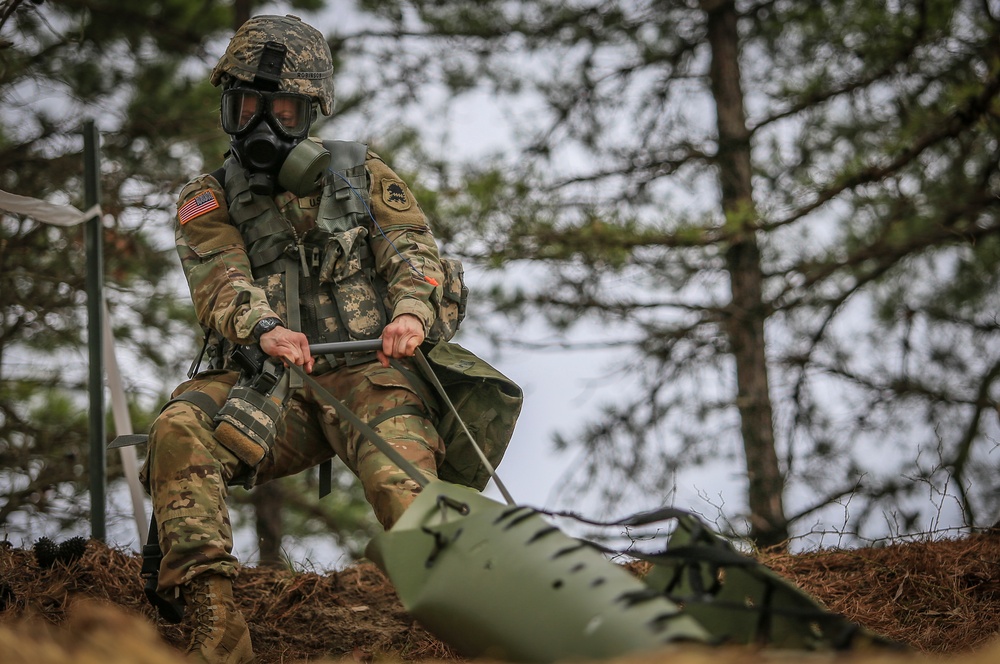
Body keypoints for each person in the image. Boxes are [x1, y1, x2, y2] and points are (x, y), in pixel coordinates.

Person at [142, 14, 451, 664]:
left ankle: (480, 627)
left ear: (310, 113)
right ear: (227, 107)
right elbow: (221, 282)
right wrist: (265, 330)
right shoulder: (209, 197)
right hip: (269, 387)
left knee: (411, 501)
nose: (261, 123)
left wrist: (412, 313)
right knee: (177, 428)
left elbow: (413, 251)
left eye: (280, 108)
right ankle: (216, 628)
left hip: (371, 379)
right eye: (245, 104)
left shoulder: (360, 173)